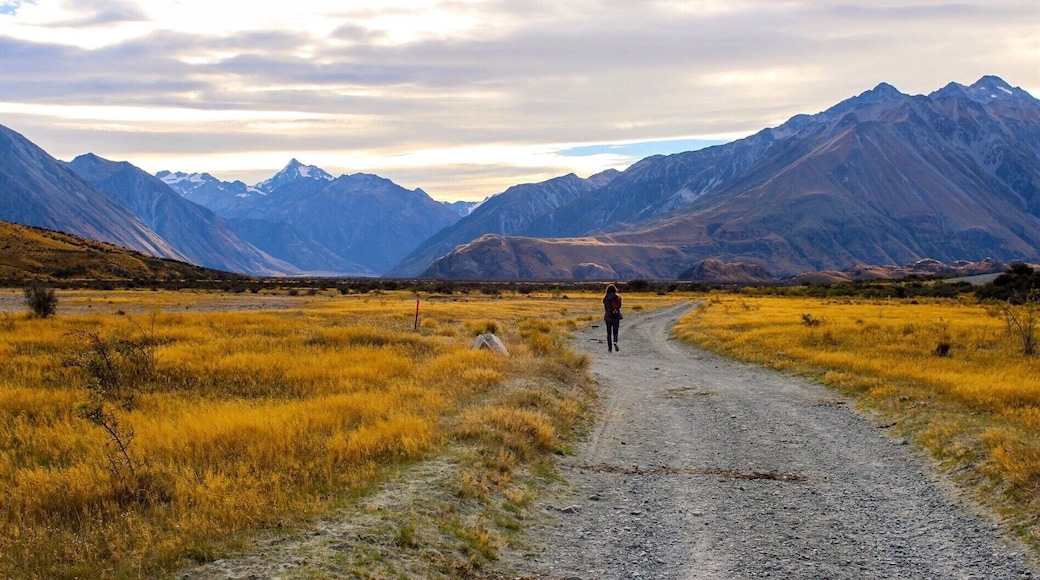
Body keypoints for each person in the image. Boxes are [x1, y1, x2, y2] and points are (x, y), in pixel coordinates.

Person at [602, 284, 623, 352]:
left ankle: (609, 347)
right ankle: (615, 342)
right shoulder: (618, 297)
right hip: (616, 316)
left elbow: (605, 307)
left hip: (608, 316)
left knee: (609, 332)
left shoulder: (606, 298)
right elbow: (619, 306)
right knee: (615, 331)